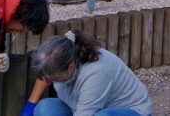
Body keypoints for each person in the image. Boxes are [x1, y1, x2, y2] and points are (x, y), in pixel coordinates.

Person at [20, 30, 152, 116]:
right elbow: (45, 73)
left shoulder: (95, 73)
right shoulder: (61, 56)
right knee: (44, 108)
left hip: (129, 110)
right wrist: (31, 104)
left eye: (52, 76)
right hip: (84, 107)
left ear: (70, 67)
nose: (47, 79)